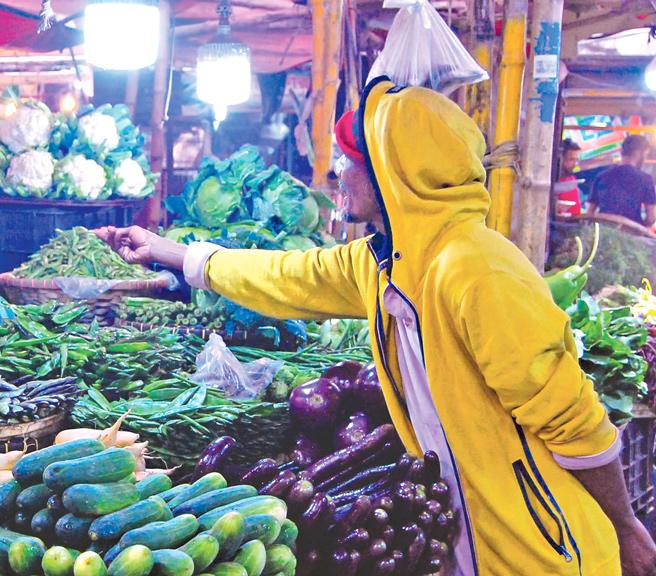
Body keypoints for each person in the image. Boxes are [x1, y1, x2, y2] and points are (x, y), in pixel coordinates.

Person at [98, 78, 656, 575]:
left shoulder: (477, 269)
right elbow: (284, 275)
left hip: (542, 546)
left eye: (349, 159)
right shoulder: (389, 260)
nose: (338, 173)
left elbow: (575, 423)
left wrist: (627, 527)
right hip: (472, 536)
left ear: (396, 171)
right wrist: (168, 253)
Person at [587, 134, 656, 227]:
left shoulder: (602, 176)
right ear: (640, 153)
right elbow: (651, 218)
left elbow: (589, 213)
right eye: (645, 155)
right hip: (632, 235)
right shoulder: (646, 180)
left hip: (604, 233)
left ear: (621, 151)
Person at [555, 138, 583, 218]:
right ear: (560, 159)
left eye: (576, 160)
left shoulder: (571, 179)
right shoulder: (553, 183)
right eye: (571, 160)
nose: (575, 164)